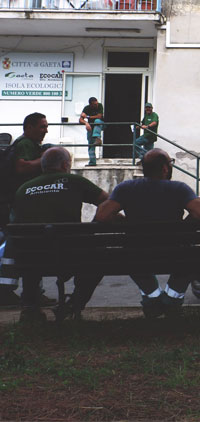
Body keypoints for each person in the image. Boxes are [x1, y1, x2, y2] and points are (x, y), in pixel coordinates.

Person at [66, 148, 200, 319]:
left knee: (131, 255)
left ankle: (153, 299)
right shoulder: (178, 188)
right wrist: (184, 226)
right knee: (191, 254)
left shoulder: (127, 188)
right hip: (173, 252)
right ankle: (171, 300)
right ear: (165, 169)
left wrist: (125, 223)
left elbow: (102, 215)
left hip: (137, 254)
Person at [10, 147, 108, 323]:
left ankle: (30, 308)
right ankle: (74, 305)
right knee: (99, 255)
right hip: (71, 255)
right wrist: (93, 226)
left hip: (31, 258)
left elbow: (17, 224)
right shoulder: (74, 181)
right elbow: (107, 202)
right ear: (65, 164)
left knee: (29, 249)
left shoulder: (23, 189)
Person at [0, 112, 50, 305]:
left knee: (17, 249)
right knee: (24, 248)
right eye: (41, 126)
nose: (45, 130)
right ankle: (28, 294)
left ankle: (23, 292)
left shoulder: (24, 144)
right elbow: (22, 168)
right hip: (17, 206)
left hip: (14, 203)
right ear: (28, 127)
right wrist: (46, 159)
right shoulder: (25, 144)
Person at [79, 97, 104, 166]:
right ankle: (92, 162)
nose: (96, 105)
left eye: (97, 103)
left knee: (97, 121)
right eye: (94, 104)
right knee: (91, 144)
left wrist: (88, 117)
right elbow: (80, 119)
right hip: (91, 127)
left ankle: (97, 137)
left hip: (100, 124)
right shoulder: (87, 108)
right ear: (91, 105)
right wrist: (86, 123)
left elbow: (99, 116)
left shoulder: (100, 105)